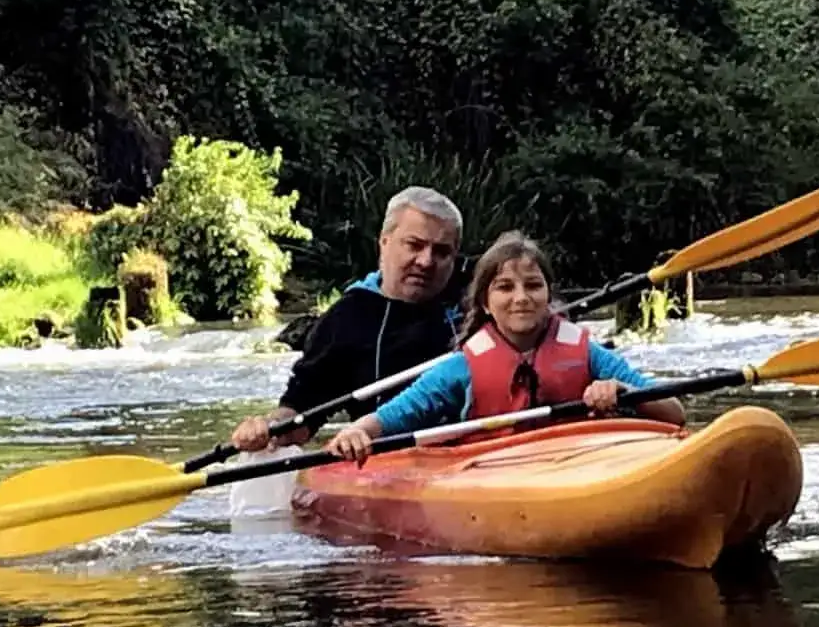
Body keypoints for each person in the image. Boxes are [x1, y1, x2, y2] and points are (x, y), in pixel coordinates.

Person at [324, 230, 687, 464]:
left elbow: (674, 413)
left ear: (549, 295)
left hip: (579, 462)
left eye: (533, 286)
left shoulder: (589, 354)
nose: (521, 299)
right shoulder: (460, 367)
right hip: (495, 470)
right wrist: (356, 432)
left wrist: (624, 393)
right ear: (484, 302)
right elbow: (396, 415)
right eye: (505, 288)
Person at [230, 186, 467, 452]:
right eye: (414, 245)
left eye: (442, 252)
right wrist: (266, 428)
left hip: (480, 456)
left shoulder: (479, 303)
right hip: (389, 462)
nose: (426, 261)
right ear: (384, 241)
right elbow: (301, 413)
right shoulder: (347, 318)